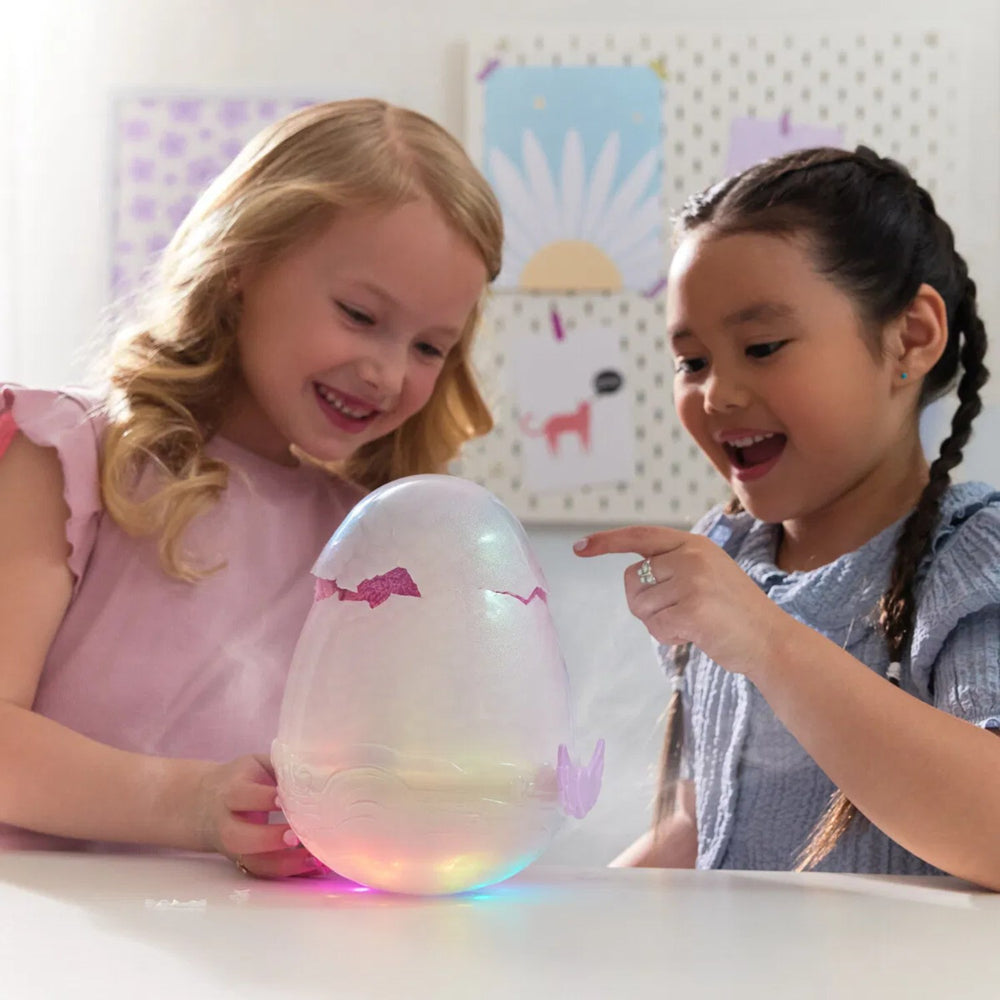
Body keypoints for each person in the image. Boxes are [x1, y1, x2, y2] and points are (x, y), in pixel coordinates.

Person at [0, 98, 503, 877]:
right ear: (245, 265)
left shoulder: (369, 540)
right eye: (360, 314)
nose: (387, 372)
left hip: (254, 939)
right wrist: (192, 806)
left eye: (431, 347)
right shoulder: (67, 455)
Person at [575, 146, 1000, 888]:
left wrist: (767, 641)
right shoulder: (723, 555)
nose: (717, 394)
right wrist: (566, 918)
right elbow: (703, 827)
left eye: (762, 347)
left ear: (912, 337)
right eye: (692, 362)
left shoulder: (971, 558)